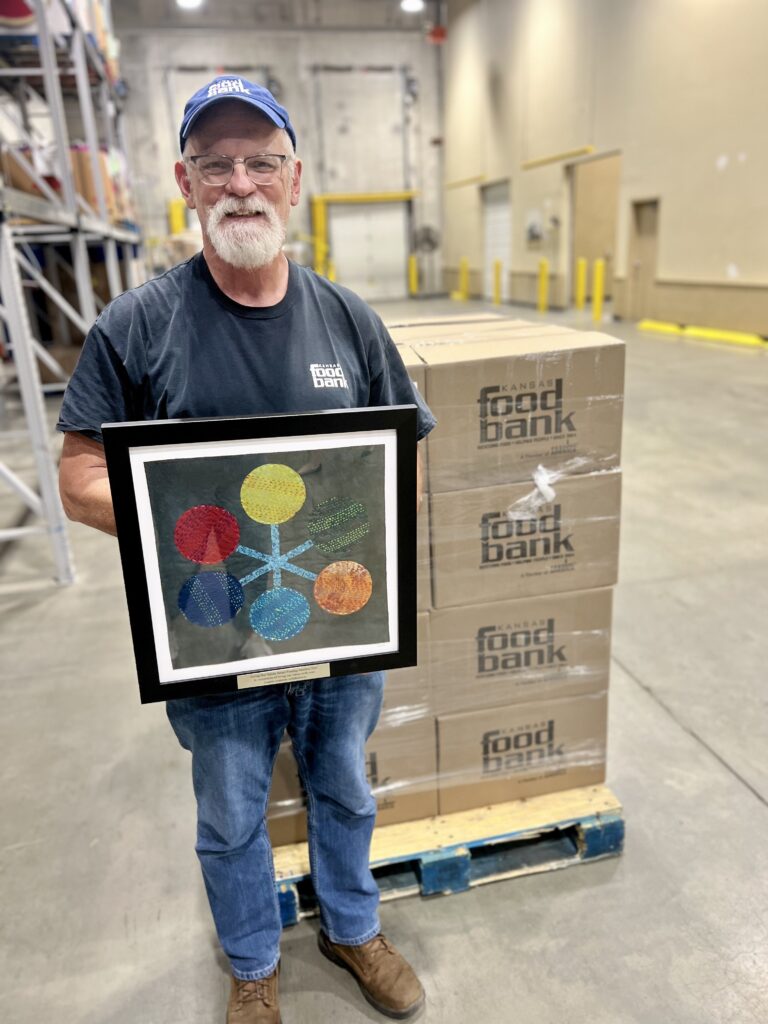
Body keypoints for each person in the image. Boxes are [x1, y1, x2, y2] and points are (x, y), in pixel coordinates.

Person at [57, 76, 436, 1023]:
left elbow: (406, 462)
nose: (241, 182)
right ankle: (252, 963)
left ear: (295, 179)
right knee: (230, 815)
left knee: (344, 787)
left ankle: (352, 929)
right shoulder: (134, 328)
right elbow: (77, 479)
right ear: (185, 183)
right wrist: (193, 537)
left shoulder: (348, 320)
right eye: (215, 163)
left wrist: (364, 552)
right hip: (211, 632)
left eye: (262, 161)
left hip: (342, 627)